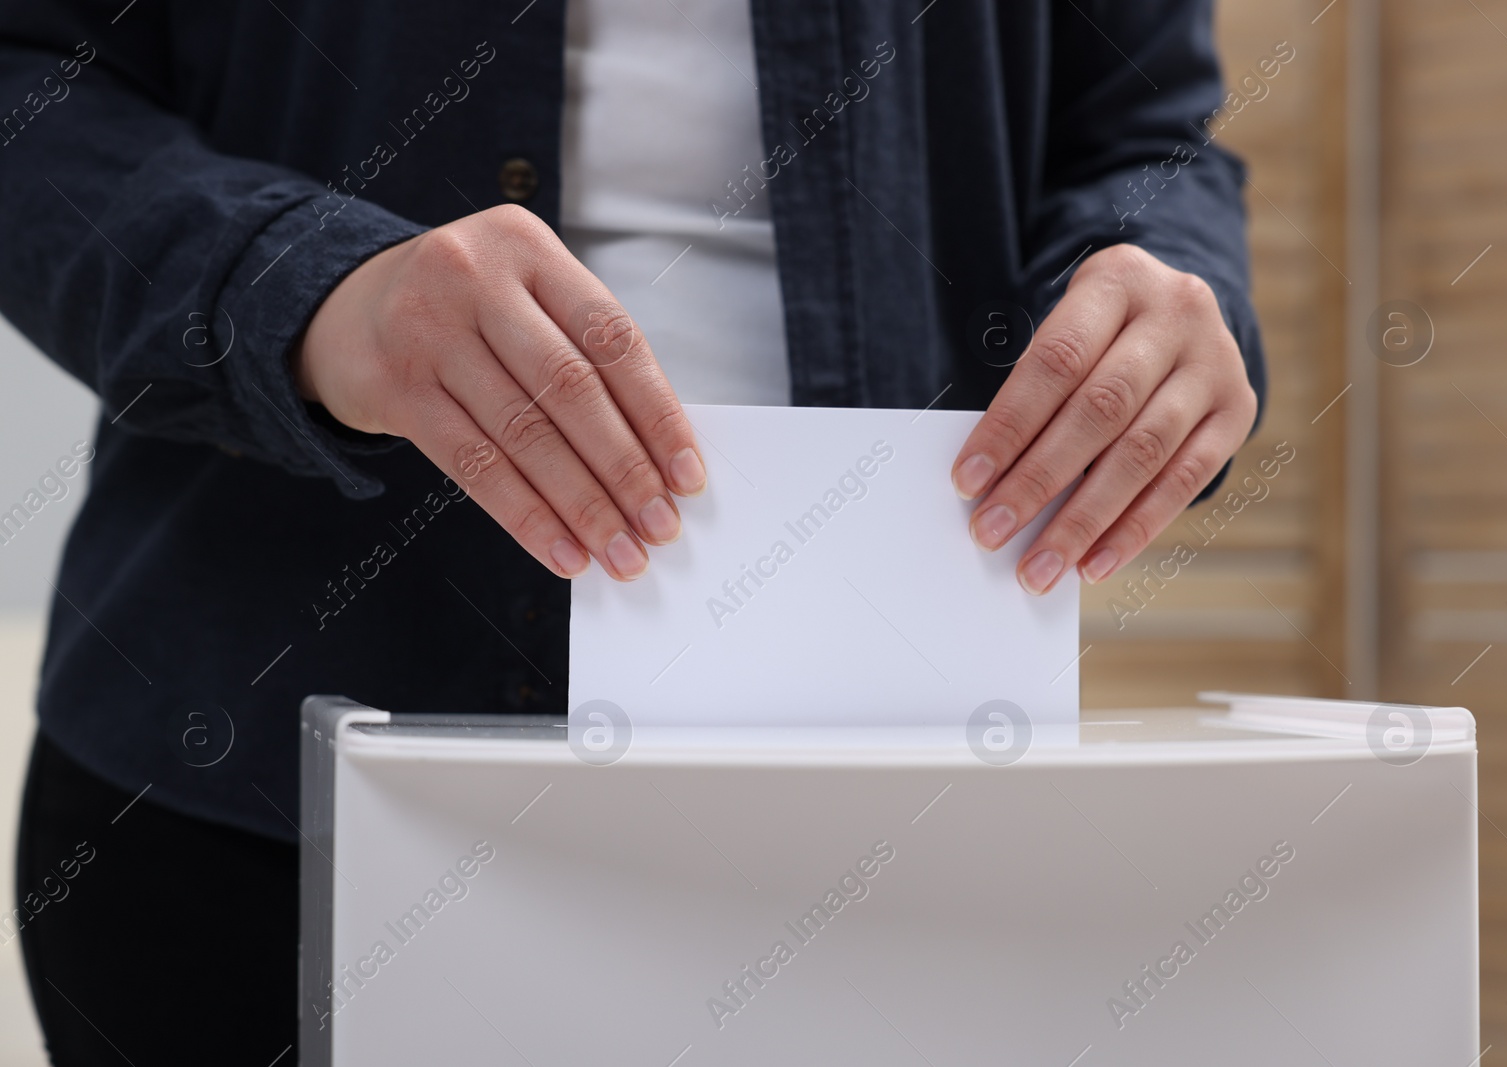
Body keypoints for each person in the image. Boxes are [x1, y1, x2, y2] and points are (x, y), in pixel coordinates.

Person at [0, 0, 1263, 1060]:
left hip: (896, 798)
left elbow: (1149, 133)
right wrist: (300, 285)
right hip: (250, 786)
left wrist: (1157, 272)